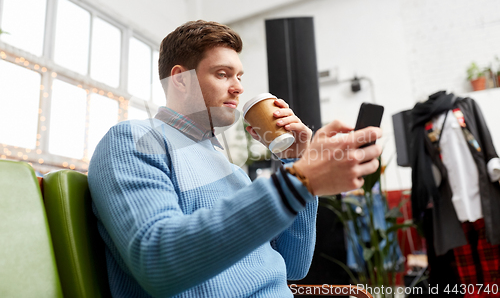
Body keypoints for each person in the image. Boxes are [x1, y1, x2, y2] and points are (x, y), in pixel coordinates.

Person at [88, 20, 382, 297]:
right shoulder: (134, 139)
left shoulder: (232, 170)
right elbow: (158, 260)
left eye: (239, 76)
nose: (239, 87)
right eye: (222, 74)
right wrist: (302, 180)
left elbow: (294, 266)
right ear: (180, 79)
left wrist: (295, 161)